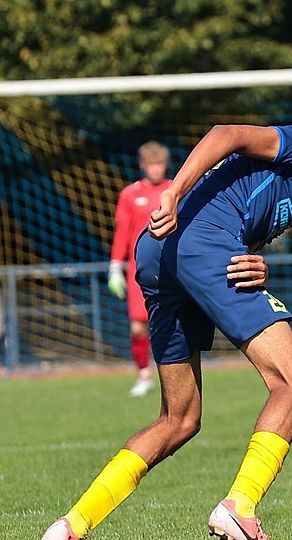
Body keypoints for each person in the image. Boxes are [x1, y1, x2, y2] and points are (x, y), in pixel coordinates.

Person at [41, 110, 292, 540]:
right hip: (199, 245)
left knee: (180, 419)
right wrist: (172, 193)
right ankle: (239, 507)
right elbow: (226, 134)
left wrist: (255, 260)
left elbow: (239, 216)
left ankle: (70, 526)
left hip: (160, 257)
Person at [108, 141, 174, 396]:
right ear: (143, 166)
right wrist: (115, 266)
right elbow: (122, 232)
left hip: (171, 266)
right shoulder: (130, 194)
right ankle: (144, 375)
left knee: (173, 322)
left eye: (160, 164)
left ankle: (174, 373)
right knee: (138, 326)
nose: (156, 169)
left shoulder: (174, 190)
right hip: (138, 268)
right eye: (151, 164)